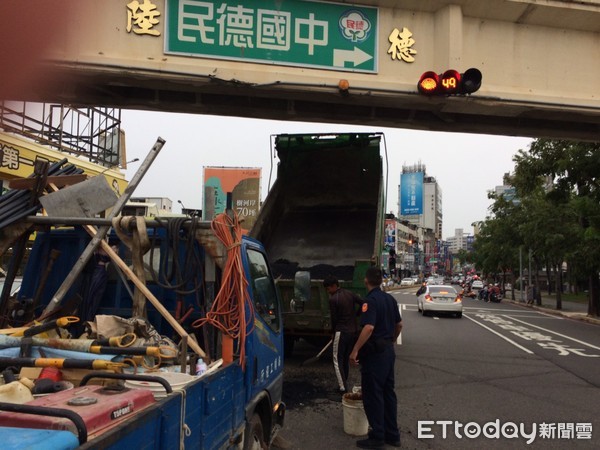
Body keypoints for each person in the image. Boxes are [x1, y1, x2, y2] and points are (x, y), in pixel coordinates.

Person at [350, 267, 402, 449]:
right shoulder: (390, 299)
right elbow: (399, 324)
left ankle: (378, 436)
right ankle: (392, 435)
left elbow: (369, 328)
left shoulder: (370, 301)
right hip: (388, 351)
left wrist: (355, 350)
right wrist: (392, 340)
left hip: (375, 355)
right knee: (388, 393)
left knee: (373, 394)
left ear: (366, 281)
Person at [323, 275, 362, 394]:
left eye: (328, 289)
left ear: (334, 286)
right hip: (352, 332)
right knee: (345, 358)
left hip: (341, 331)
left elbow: (334, 320)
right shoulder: (350, 294)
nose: (328, 292)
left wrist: (333, 333)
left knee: (336, 359)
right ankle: (344, 383)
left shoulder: (333, 299)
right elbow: (364, 302)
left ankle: (342, 388)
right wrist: (356, 314)